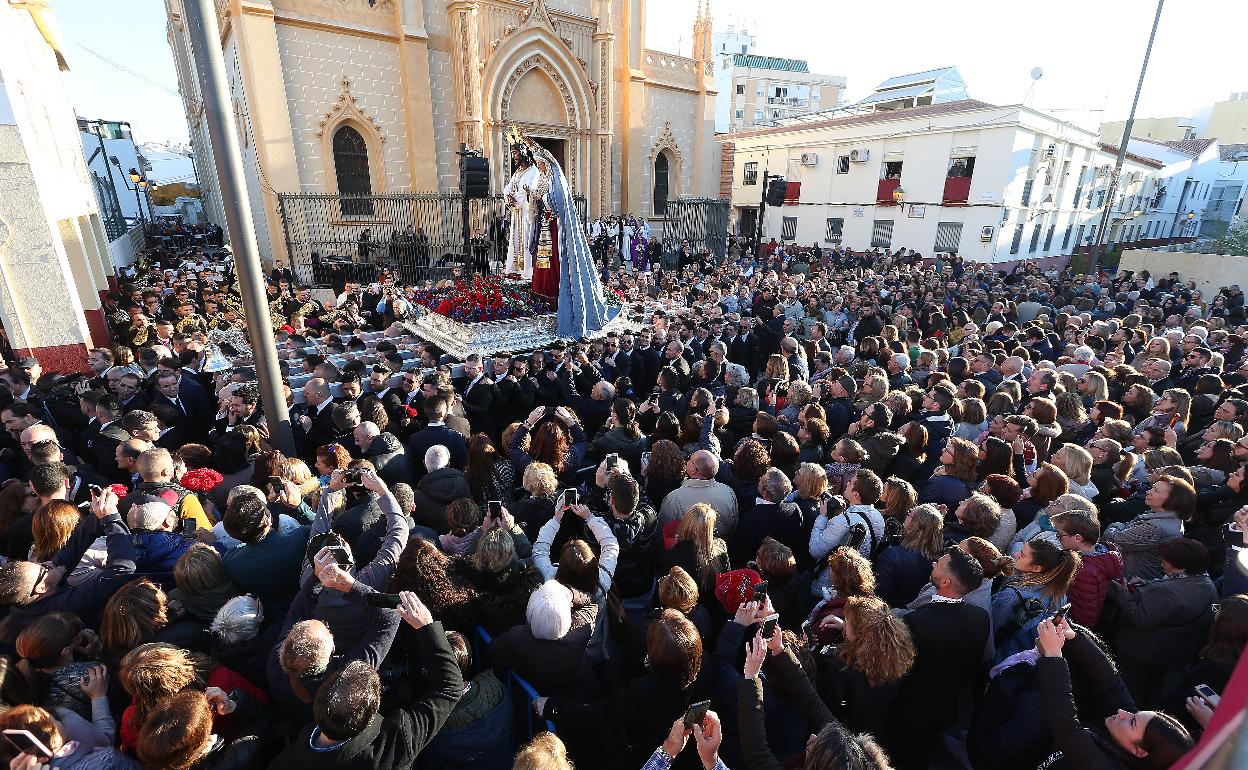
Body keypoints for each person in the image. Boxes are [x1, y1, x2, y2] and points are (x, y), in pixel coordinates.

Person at [1033, 617, 1194, 770]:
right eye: (1134, 715)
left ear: (1139, 751)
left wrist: (1053, 656)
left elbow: (1066, 727)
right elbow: (1111, 685)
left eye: (1132, 722)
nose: (1123, 712)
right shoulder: (1125, 727)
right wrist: (1075, 638)